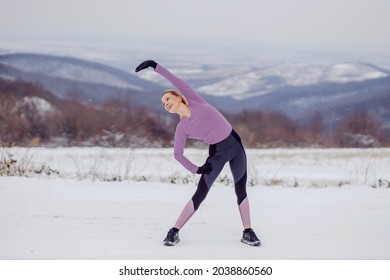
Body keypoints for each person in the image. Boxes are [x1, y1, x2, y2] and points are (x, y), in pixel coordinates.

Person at [135, 60, 261, 247]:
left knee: (240, 189)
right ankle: (174, 232)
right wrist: (197, 169)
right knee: (201, 192)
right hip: (217, 154)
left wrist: (155, 66)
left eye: (168, 99)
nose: (165, 104)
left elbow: (174, 79)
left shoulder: (194, 100)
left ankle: (248, 232)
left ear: (178, 97)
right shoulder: (182, 127)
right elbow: (178, 154)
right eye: (163, 104)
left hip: (236, 145)